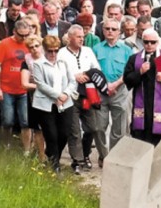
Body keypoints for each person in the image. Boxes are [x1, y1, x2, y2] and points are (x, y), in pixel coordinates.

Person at [124, 29, 161, 145]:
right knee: (140, 139)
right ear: (142, 42)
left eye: (153, 42)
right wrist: (140, 72)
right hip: (141, 105)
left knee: (160, 140)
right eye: (146, 42)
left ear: (157, 42)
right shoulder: (135, 59)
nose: (149, 45)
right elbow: (127, 79)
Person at [58, 25, 101, 171]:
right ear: (70, 38)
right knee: (74, 129)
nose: (81, 39)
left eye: (83, 37)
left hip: (87, 94)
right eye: (78, 37)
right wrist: (74, 76)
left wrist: (86, 74)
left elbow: (97, 69)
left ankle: (86, 153)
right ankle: (77, 159)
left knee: (92, 127)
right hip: (70, 94)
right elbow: (59, 73)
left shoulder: (88, 51)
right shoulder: (62, 54)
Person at [32, 35, 77, 173]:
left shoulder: (63, 63)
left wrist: (65, 94)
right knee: (51, 134)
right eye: (50, 51)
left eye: (56, 50)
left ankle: (52, 155)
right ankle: (55, 163)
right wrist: (57, 95)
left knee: (64, 133)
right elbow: (40, 84)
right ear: (45, 50)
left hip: (65, 102)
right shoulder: (38, 64)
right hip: (46, 104)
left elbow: (72, 81)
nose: (53, 54)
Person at [92, 17, 133, 166]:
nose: (110, 31)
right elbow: (93, 70)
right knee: (98, 127)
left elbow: (129, 71)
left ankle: (113, 157)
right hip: (100, 92)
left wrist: (115, 84)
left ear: (119, 32)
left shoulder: (127, 49)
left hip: (120, 91)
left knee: (119, 128)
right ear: (102, 30)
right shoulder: (96, 49)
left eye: (113, 29)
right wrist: (104, 86)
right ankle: (103, 155)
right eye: (107, 29)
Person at [0, 20, 32, 153]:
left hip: (24, 89)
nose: (24, 38)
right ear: (14, 32)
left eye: (27, 35)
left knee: (26, 121)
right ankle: (6, 145)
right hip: (7, 88)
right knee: (7, 120)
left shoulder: (31, 44)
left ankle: (27, 150)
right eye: (21, 35)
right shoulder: (4, 44)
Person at [20, 35, 47, 162]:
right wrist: (41, 86)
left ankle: (51, 154)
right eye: (31, 47)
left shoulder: (49, 57)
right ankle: (42, 157)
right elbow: (24, 84)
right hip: (34, 98)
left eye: (37, 46)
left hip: (51, 97)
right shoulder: (27, 61)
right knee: (37, 129)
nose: (34, 49)